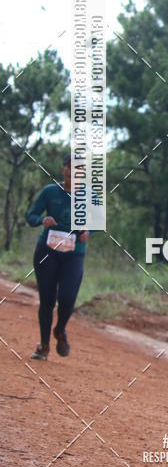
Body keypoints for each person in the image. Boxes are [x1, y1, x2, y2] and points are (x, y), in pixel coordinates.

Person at [26, 153, 91, 360]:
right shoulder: (50, 191)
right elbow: (31, 216)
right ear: (63, 169)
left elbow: (98, 223)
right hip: (47, 252)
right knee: (47, 300)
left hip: (74, 254)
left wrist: (88, 231)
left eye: (79, 169)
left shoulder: (90, 195)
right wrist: (42, 220)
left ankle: (60, 329)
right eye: (70, 167)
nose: (73, 172)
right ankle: (44, 346)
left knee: (67, 298)